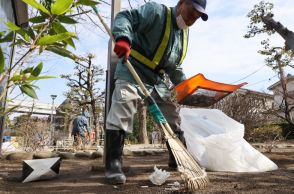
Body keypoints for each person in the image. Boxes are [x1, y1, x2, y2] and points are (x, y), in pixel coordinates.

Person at [105, 0, 208, 184]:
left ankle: (178, 157)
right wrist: (123, 38)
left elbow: (174, 66)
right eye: (193, 11)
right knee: (124, 105)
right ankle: (113, 163)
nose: (194, 18)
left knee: (171, 115)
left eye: (199, 16)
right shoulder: (156, 11)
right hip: (133, 68)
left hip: (156, 80)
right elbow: (125, 17)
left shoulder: (184, 33)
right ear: (182, 3)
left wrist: (185, 87)